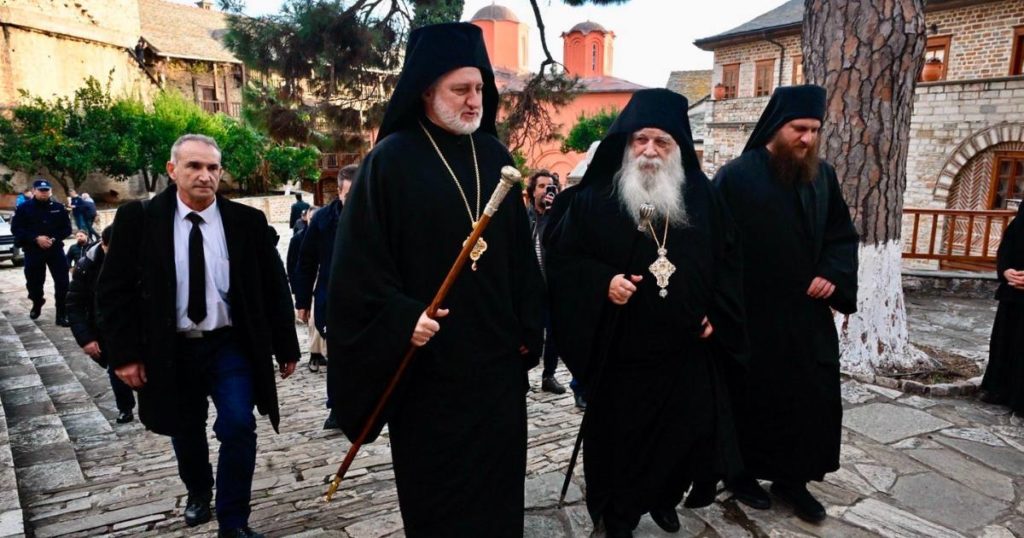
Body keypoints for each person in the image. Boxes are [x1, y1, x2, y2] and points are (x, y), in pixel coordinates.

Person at [325, 23, 544, 536]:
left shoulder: (495, 157)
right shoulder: (389, 163)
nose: (474, 101)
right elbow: (357, 273)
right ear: (426, 90)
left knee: (497, 490)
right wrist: (405, 317)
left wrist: (528, 330)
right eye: (460, 89)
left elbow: (519, 259)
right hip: (430, 371)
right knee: (439, 496)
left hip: (494, 369)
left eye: (480, 89)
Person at [545, 89, 747, 537]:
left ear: (678, 148)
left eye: (662, 141)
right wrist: (602, 282)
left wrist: (718, 311)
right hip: (623, 353)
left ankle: (663, 498)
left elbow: (730, 262)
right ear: (626, 143)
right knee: (621, 441)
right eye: (641, 140)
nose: (650, 150)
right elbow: (562, 259)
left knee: (682, 437)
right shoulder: (595, 198)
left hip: (684, 350)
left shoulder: (705, 200)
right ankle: (617, 517)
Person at [96, 134, 301, 538]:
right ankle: (198, 490)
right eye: (194, 166)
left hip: (229, 345)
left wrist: (285, 344)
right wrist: (124, 355)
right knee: (184, 428)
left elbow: (273, 285)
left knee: (240, 425)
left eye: (212, 168)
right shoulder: (139, 221)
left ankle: (234, 521)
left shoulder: (246, 223)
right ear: (173, 171)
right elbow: (113, 291)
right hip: (171, 349)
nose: (205, 176)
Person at [713, 85, 859, 524]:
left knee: (806, 400)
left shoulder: (823, 176)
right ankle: (740, 475)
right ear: (776, 127)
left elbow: (841, 235)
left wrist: (831, 275)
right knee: (751, 398)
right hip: (751, 316)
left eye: (815, 130)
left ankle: (794, 480)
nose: (808, 139)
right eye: (800, 129)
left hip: (805, 318)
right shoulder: (735, 177)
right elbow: (715, 247)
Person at [294, 164, 355, 426]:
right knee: (338, 353)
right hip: (332, 297)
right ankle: (339, 407)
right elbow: (306, 262)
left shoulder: (378, 213)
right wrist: (302, 301)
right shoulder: (322, 220)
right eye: (350, 194)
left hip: (371, 297)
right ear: (339, 193)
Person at [65, 225, 135, 424]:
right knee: (116, 368)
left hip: (136, 324)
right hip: (105, 326)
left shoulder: (137, 258)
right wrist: (86, 339)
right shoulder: (87, 266)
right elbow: (74, 304)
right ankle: (125, 407)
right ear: (103, 245)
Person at [525, 170, 576, 399]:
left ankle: (549, 375)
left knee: (554, 333)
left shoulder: (558, 216)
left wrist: (555, 212)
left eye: (551, 186)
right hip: (528, 288)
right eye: (541, 186)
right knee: (528, 332)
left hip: (551, 286)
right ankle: (524, 375)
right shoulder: (523, 217)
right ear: (532, 190)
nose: (546, 190)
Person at [980, 202, 1024, 417]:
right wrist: (1006, 271)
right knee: (1005, 343)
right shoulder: (1020, 222)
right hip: (1012, 295)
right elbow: (1005, 249)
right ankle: (999, 390)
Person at [11, 179, 72, 325]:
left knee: (63, 282)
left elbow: (67, 229)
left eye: (46, 190)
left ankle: (61, 314)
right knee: (34, 283)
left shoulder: (58, 207)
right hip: (33, 250)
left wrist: (53, 239)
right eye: (41, 190)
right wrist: (35, 238)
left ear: (50, 191)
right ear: (34, 191)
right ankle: (37, 301)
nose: (44, 193)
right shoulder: (23, 208)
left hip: (55, 249)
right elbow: (16, 229)